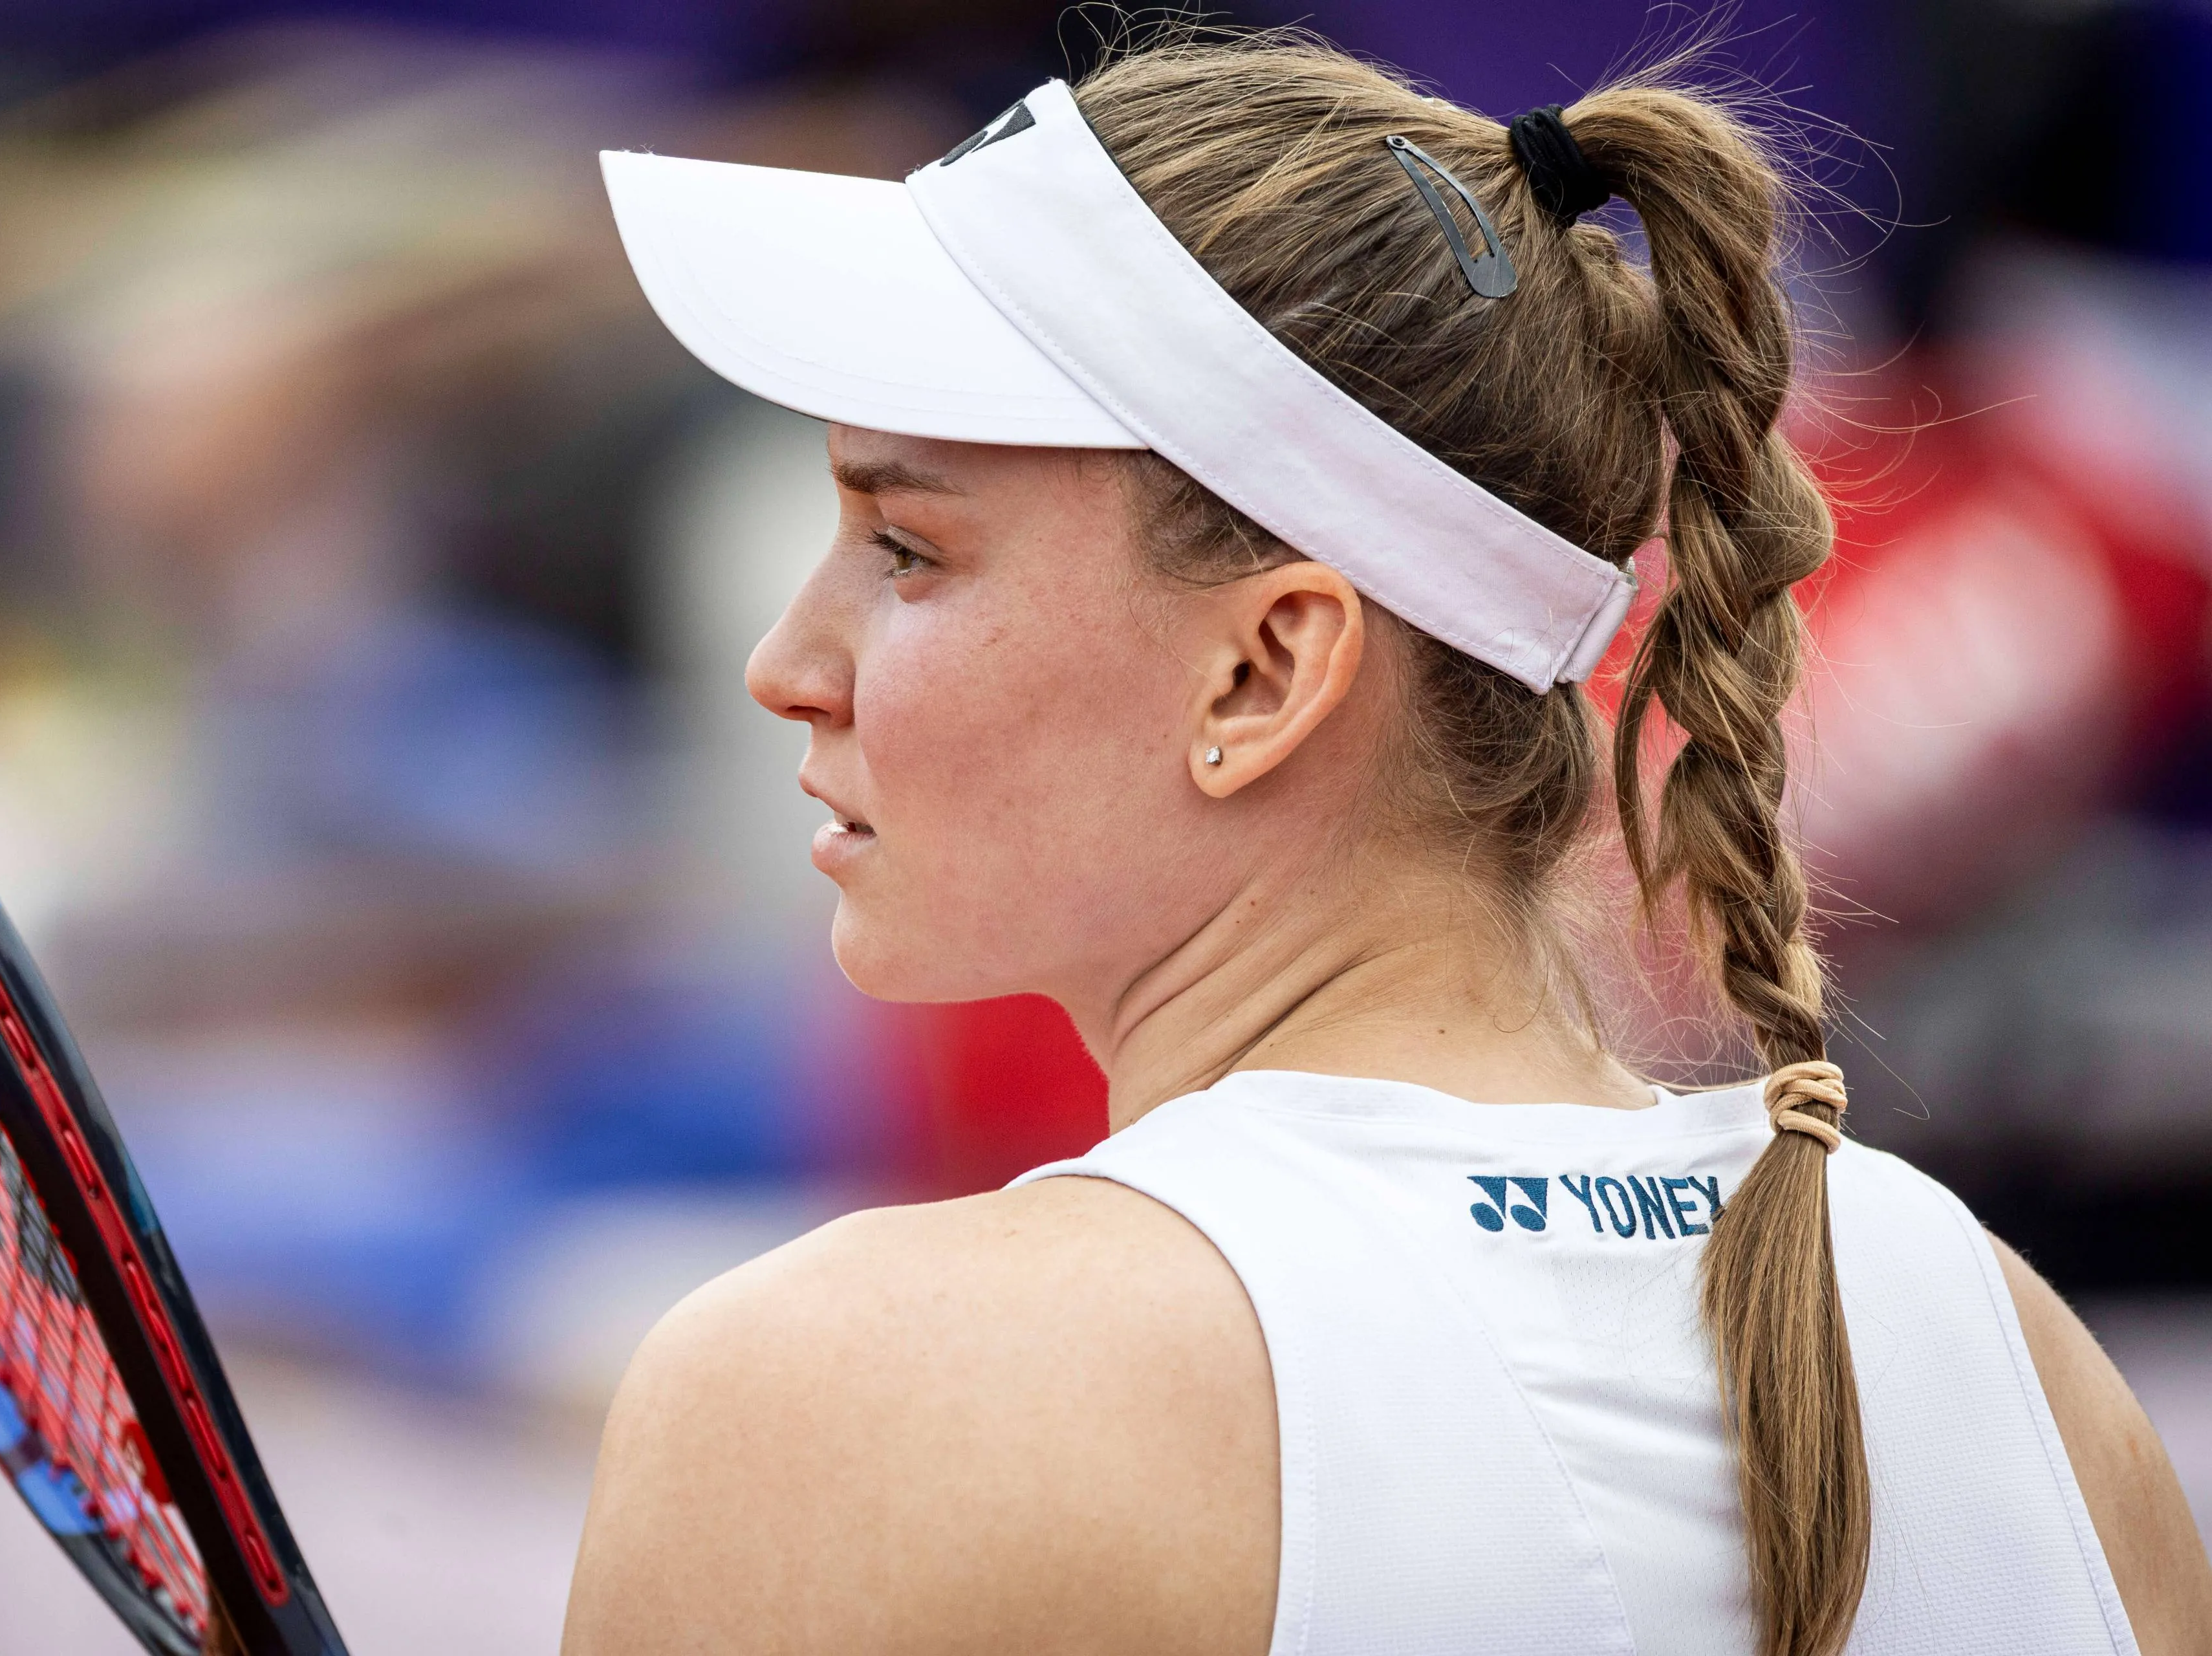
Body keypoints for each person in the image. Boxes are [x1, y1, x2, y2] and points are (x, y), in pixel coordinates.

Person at [559, 33, 2212, 1656]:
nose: (787, 663)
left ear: (1266, 666)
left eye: (907, 548)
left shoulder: (842, 1395)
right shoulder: (2026, 1363)